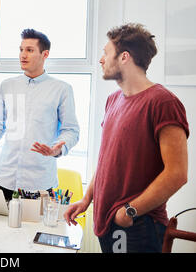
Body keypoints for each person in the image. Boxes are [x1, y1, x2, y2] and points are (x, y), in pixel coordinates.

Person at [64, 23, 189, 253]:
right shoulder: (113, 100)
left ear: (124, 57)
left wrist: (130, 211)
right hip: (107, 223)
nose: (101, 60)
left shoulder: (163, 102)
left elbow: (177, 173)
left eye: (105, 53)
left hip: (137, 226)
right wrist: (86, 200)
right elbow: (106, 161)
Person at [0, 29, 80, 200]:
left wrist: (57, 148)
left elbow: (71, 130)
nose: (23, 55)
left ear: (45, 54)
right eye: (21, 49)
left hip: (40, 183)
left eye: (29, 50)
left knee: (35, 227)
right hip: (5, 179)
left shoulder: (62, 89)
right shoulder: (7, 86)